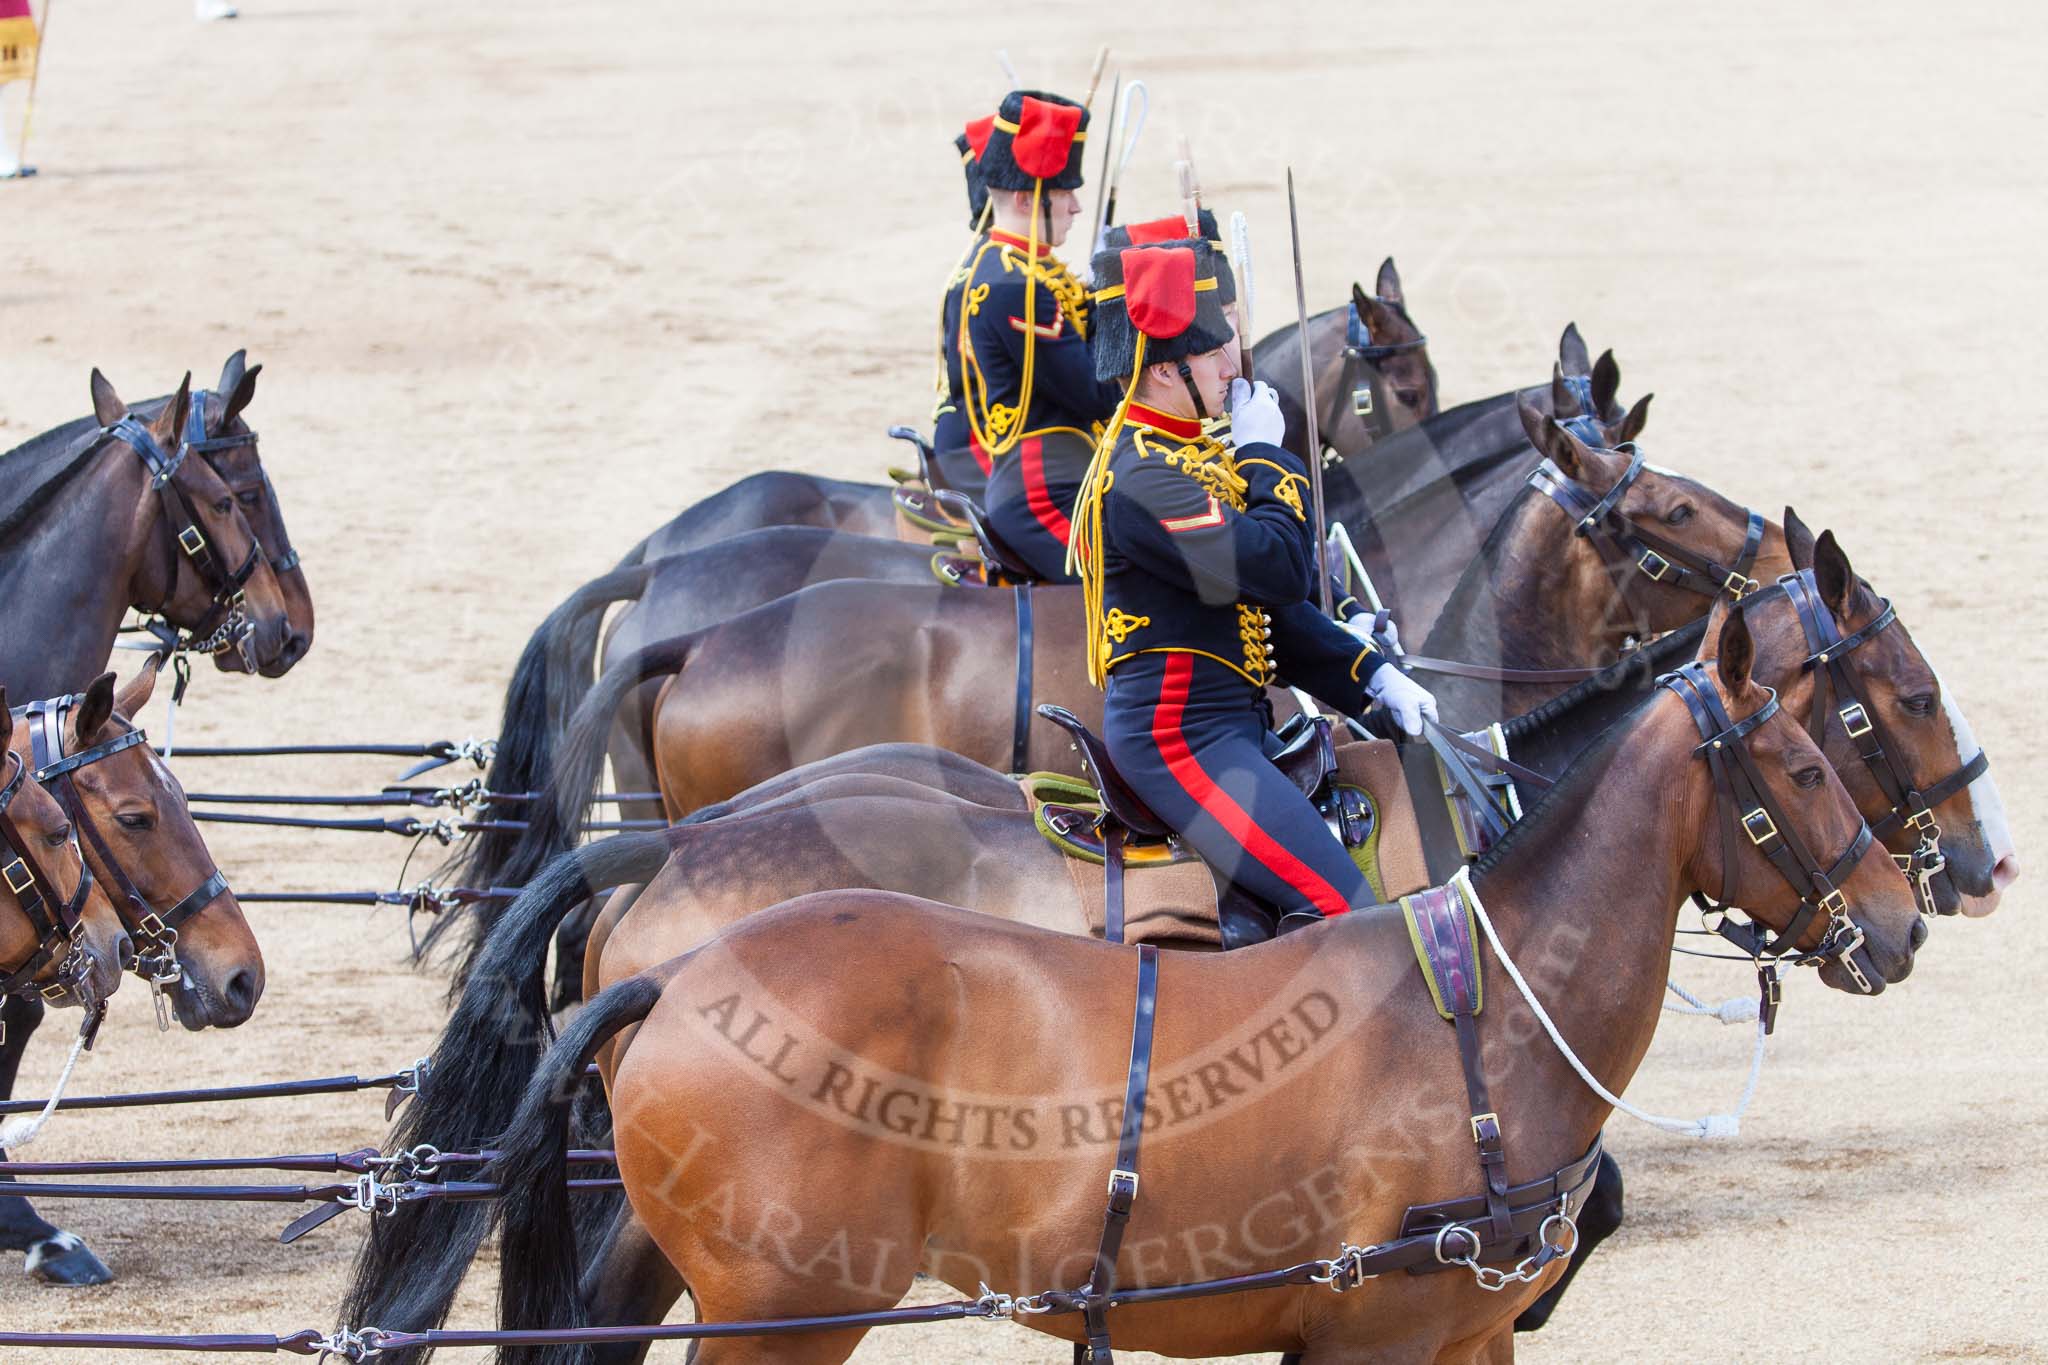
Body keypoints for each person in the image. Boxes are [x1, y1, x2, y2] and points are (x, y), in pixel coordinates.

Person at [1071, 237, 1438, 931]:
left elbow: (1267, 615)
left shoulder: (1189, 458)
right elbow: (1280, 566)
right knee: (1350, 913)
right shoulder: (1144, 478)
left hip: (1229, 725)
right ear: (1162, 370)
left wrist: (1371, 677)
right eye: (1212, 353)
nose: (1232, 365)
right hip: (1182, 738)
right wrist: (1267, 456)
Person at [946, 89, 1122, 578]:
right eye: (1066, 195)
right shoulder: (1017, 287)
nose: (1077, 208)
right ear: (1027, 199)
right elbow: (1094, 392)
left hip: (1064, 473)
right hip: (1042, 491)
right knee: (1138, 585)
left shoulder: (1018, 269)